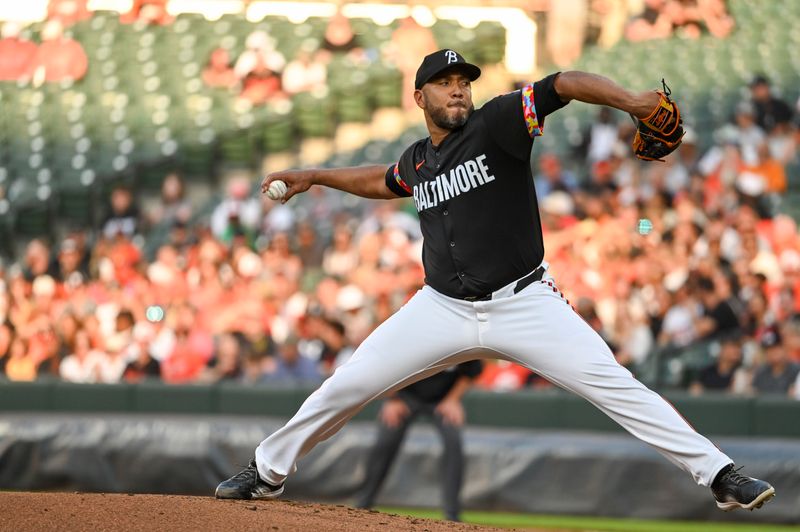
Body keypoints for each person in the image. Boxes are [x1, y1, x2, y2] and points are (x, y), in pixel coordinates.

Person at [216, 49, 774, 511]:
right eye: (443, 82)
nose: (457, 89)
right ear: (420, 99)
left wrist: (633, 101)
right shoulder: (418, 160)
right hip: (442, 308)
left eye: (463, 81)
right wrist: (313, 175)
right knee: (347, 384)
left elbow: (565, 83)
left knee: (618, 386)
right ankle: (268, 470)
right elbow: (382, 181)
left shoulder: (498, 123)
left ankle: (720, 475)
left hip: (525, 301)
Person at [355, 361, 482, 522]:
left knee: (453, 442)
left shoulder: (460, 337)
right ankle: (361, 505)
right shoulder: (408, 336)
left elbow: (471, 371)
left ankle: (452, 516)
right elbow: (384, 365)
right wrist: (392, 398)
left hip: (443, 398)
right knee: (385, 442)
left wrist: (453, 399)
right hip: (404, 395)